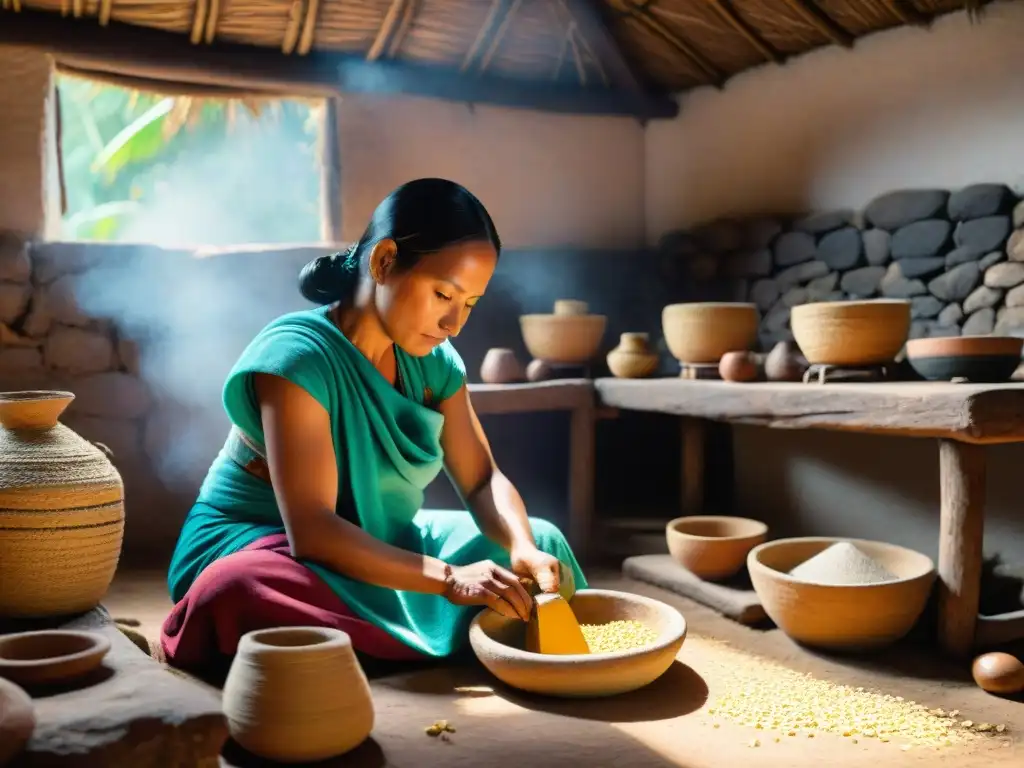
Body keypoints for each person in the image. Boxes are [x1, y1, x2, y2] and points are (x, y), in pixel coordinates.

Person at [160, 178, 588, 674]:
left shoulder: (434, 361)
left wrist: (521, 546)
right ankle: (447, 625)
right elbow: (314, 532)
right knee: (234, 589)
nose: (455, 323)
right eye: (443, 294)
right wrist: (450, 579)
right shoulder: (297, 358)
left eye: (469, 304)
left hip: (381, 539)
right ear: (384, 262)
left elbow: (481, 479)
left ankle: (393, 630)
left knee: (545, 543)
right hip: (268, 543)